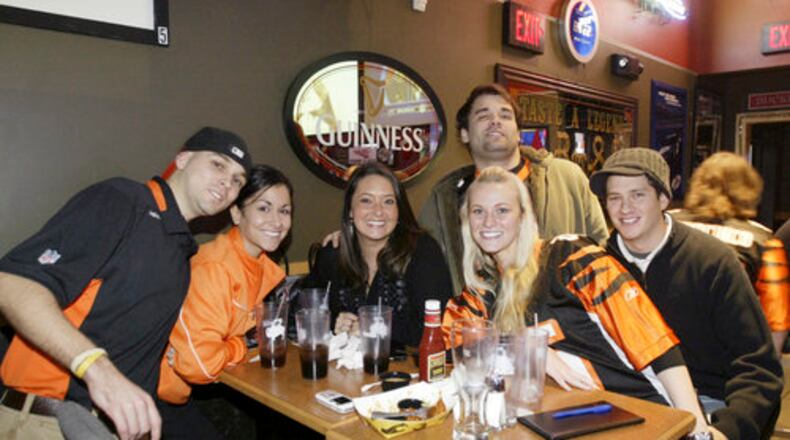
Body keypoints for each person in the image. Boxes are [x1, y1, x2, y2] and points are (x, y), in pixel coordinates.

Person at [0, 126, 252, 440]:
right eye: (218, 164)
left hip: (117, 427)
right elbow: (12, 283)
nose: (227, 182)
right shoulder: (122, 201)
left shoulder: (181, 248)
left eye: (238, 180)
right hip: (51, 421)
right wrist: (97, 369)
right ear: (183, 158)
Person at [443, 166, 710, 436]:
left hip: (646, 418)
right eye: (478, 211)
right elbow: (459, 345)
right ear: (467, 222)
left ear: (524, 217)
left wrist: (699, 428)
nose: (489, 222)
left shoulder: (569, 258)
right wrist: (522, 347)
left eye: (502, 210)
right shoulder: (480, 290)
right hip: (566, 424)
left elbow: (653, 341)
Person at [589, 147, 783, 440]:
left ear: (664, 199)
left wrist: (727, 430)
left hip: (709, 403)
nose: (624, 208)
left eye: (637, 195)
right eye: (614, 198)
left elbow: (758, 366)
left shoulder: (713, 262)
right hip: (624, 405)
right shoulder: (597, 266)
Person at [419, 83, 608, 293]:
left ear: (518, 133)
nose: (495, 121)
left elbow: (601, 250)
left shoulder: (567, 178)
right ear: (465, 134)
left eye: (505, 116)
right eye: (483, 116)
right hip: (478, 321)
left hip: (564, 320)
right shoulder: (443, 199)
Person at [156, 165, 292, 437]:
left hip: (203, 389)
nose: (277, 221)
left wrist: (228, 346)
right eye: (263, 208)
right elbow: (200, 365)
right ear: (236, 213)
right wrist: (238, 346)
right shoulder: (216, 267)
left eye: (285, 211)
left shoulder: (258, 266)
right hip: (158, 394)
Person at [307, 162, 453, 349]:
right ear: (350, 211)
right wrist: (335, 322)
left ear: (399, 210)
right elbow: (305, 314)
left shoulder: (422, 252)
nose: (378, 211)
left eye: (388, 201)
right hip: (346, 374)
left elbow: (438, 330)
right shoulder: (333, 255)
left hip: (407, 374)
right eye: (366, 200)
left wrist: (376, 326)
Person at [672, 152, 789, 353]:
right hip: (728, 359)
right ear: (748, 189)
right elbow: (777, 320)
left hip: (664, 355)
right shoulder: (763, 241)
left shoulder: (667, 225)